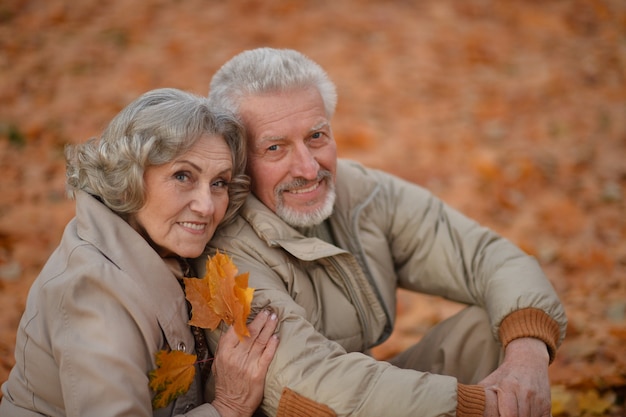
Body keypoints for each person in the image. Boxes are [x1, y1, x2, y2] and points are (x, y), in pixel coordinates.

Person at [199, 47, 568, 417]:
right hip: (318, 408)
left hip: (372, 395)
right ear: (238, 160)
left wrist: (527, 355)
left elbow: (487, 257)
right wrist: (480, 407)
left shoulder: (360, 193)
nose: (310, 169)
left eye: (316, 136)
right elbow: (308, 385)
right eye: (275, 148)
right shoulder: (227, 257)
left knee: (494, 328)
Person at [0, 88, 279, 417]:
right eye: (182, 176)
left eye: (219, 182)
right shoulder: (94, 295)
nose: (206, 206)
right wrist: (226, 408)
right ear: (129, 177)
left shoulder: (163, 242)